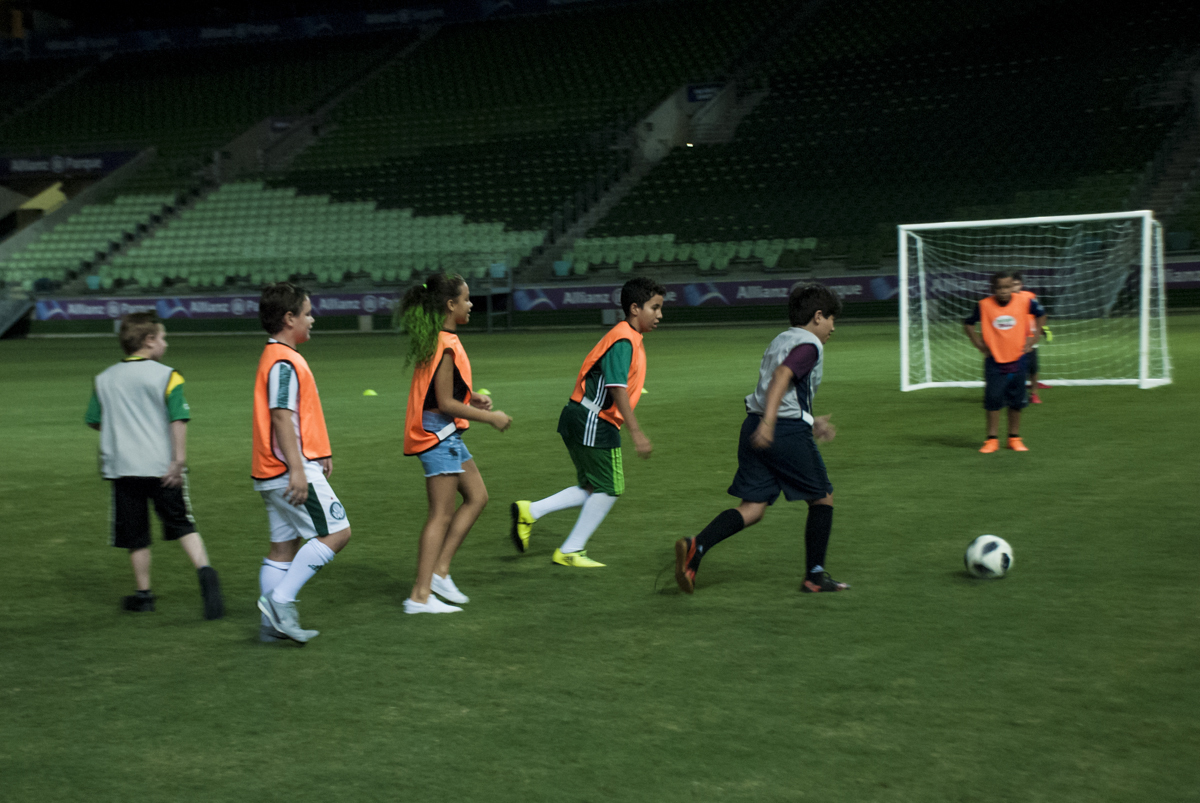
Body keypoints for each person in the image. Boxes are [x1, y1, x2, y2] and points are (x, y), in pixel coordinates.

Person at [673, 283, 848, 595]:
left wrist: (809, 418)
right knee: (822, 497)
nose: (834, 327)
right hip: (780, 429)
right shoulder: (809, 345)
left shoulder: (783, 338)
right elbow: (782, 378)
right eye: (833, 319)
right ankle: (815, 577)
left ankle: (696, 547)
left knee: (753, 508)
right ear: (818, 316)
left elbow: (781, 388)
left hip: (753, 424)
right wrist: (771, 423)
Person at [510, 277, 665, 567]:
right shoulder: (623, 339)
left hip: (581, 414)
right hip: (594, 419)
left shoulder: (626, 336)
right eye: (654, 308)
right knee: (611, 487)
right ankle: (571, 550)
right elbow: (616, 388)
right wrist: (637, 433)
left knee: (593, 487)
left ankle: (530, 511)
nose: (660, 315)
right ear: (635, 308)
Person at [85, 312, 224, 619]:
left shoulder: (104, 378)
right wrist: (179, 460)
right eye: (162, 337)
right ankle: (207, 577)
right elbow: (179, 418)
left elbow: (95, 421)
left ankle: (144, 595)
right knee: (182, 524)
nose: (165, 343)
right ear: (149, 341)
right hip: (163, 467)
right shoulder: (167, 375)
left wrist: (124, 430)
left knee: (135, 534)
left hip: (122, 468)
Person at [401, 273, 512, 614]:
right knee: (440, 516)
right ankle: (419, 596)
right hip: (438, 434)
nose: (471, 304)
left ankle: (439, 572)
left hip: (443, 432)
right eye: (466, 299)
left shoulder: (440, 338)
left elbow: (440, 391)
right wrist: (491, 418)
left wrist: (472, 396)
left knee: (477, 497)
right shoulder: (446, 344)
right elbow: (445, 403)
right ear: (451, 305)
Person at [254, 283, 351, 643]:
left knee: (283, 547)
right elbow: (281, 416)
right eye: (307, 313)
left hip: (270, 469)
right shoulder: (283, 360)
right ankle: (280, 602)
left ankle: (270, 627)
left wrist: (318, 448)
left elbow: (296, 416)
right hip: (287, 470)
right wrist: (298, 468)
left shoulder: (278, 356)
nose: (312, 319)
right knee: (337, 533)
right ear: (289, 318)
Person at [962, 271, 1045, 453]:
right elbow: (968, 323)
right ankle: (992, 440)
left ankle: (1014, 438)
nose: (1003, 291)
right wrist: (978, 344)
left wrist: (1035, 336)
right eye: (999, 287)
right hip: (994, 360)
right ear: (993, 289)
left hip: (1018, 358)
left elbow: (1041, 315)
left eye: (1007, 287)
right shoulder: (984, 305)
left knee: (1017, 400)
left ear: (1013, 286)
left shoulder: (1024, 301)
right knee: (993, 399)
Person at [1011, 273, 1049, 404]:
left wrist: (1042, 329)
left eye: (1016, 284)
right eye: (1012, 285)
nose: (1014, 287)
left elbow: (1040, 314)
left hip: (1030, 338)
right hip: (1013, 339)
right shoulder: (1005, 300)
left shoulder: (1029, 297)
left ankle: (1034, 394)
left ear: (1021, 285)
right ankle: (1016, 392)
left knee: (1033, 368)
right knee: (1015, 369)